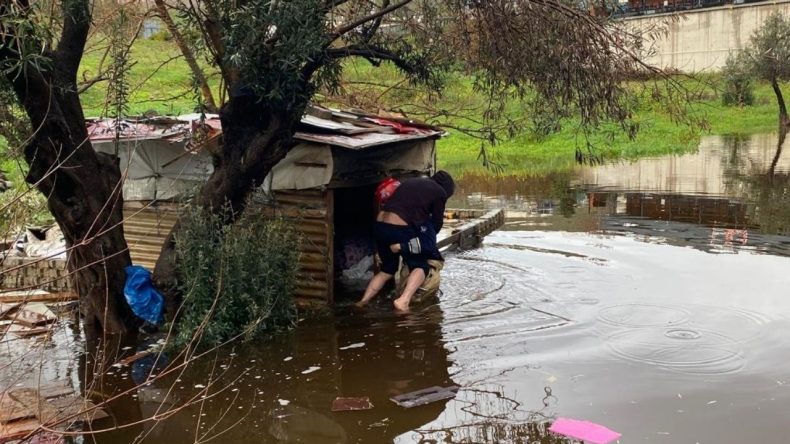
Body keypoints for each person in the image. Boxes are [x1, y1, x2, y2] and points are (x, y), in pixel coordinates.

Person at [357, 171, 455, 311]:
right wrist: (426, 240)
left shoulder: (412, 181)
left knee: (387, 271)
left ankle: (363, 301)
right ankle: (403, 300)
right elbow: (437, 223)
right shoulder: (440, 192)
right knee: (420, 266)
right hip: (399, 228)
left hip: (380, 226)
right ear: (447, 189)